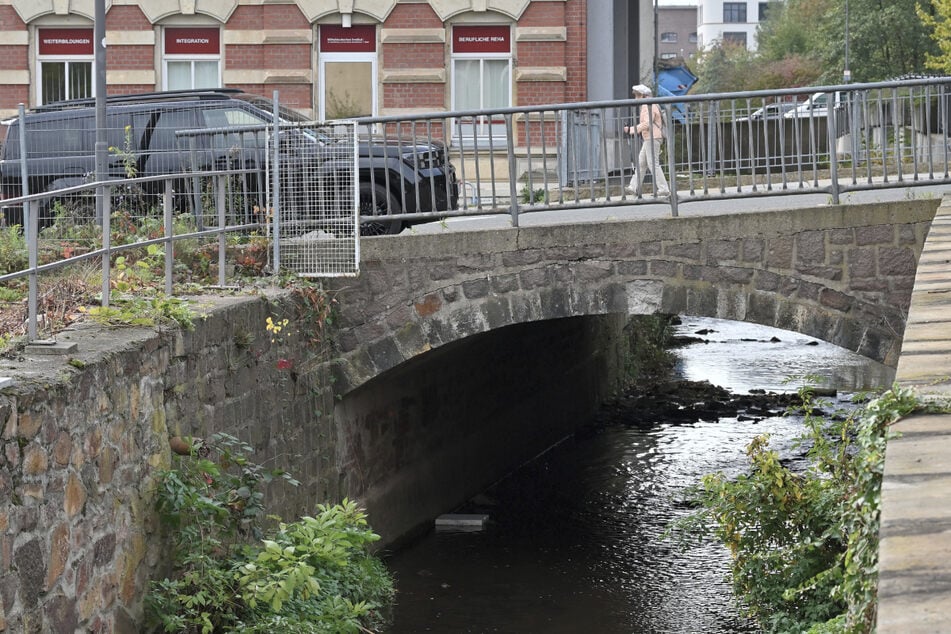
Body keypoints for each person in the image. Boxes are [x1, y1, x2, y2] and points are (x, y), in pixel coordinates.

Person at [623, 84, 670, 198]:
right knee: (642, 163)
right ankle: (633, 187)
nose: (636, 98)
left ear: (643, 96)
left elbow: (647, 124)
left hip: (652, 138)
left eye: (637, 95)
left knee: (653, 164)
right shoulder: (651, 104)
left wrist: (631, 130)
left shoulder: (648, 105)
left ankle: (664, 189)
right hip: (650, 138)